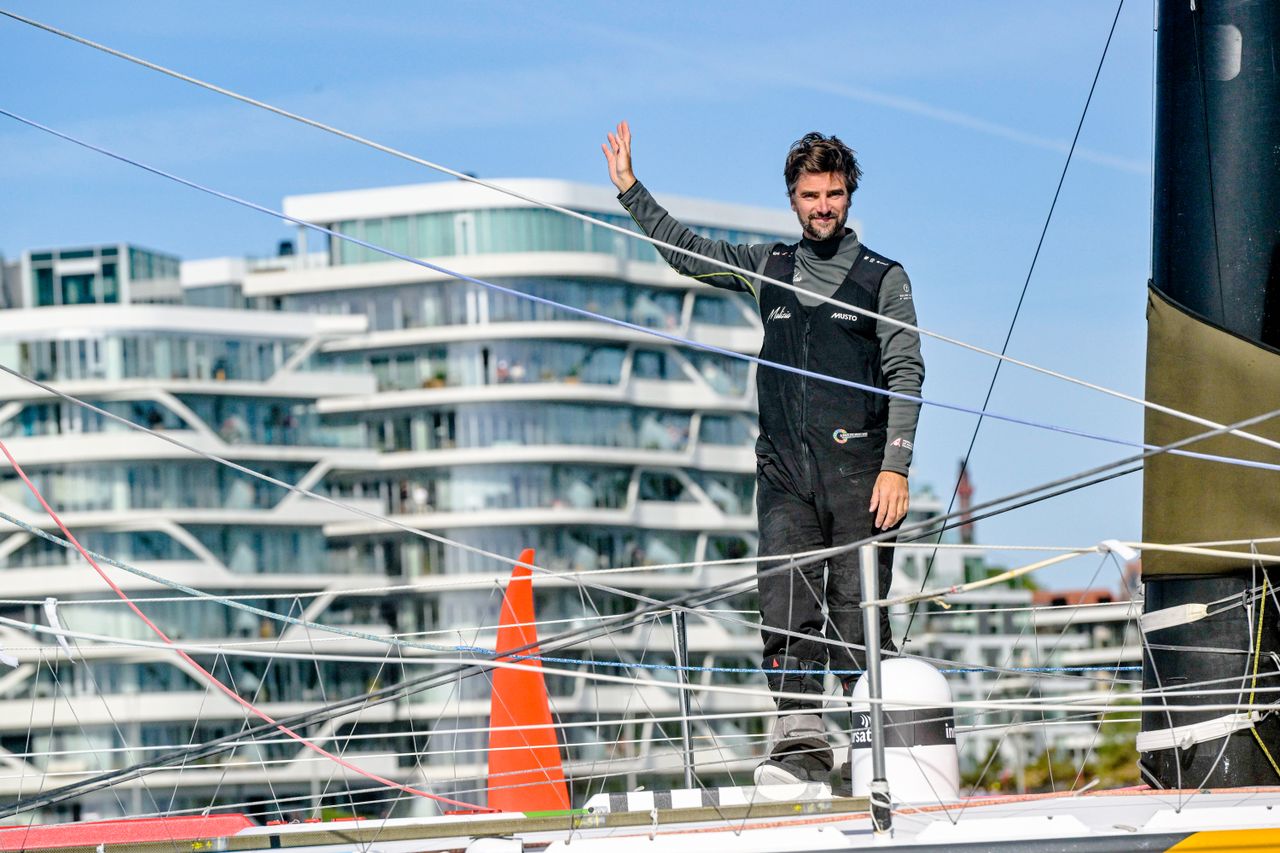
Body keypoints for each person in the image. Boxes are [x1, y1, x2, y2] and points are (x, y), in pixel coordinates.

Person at [602, 122, 924, 788]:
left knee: (855, 613)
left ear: (848, 196)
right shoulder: (768, 268)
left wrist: (897, 464)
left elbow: (906, 372)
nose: (823, 206)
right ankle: (802, 743)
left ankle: (875, 750)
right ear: (792, 199)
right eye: (811, 195)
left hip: (863, 477)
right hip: (783, 476)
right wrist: (631, 189)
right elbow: (686, 251)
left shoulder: (882, 279)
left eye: (833, 193)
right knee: (784, 605)